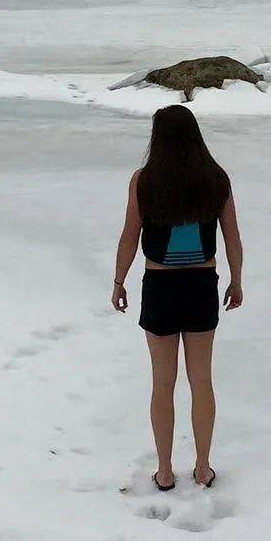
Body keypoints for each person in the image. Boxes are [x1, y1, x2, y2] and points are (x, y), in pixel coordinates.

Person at [110, 104, 243, 491]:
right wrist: (235, 281)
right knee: (202, 381)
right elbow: (232, 237)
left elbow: (129, 236)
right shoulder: (216, 179)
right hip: (202, 284)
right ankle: (202, 467)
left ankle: (165, 470)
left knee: (162, 383)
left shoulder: (144, 180)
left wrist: (119, 281)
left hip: (160, 286)